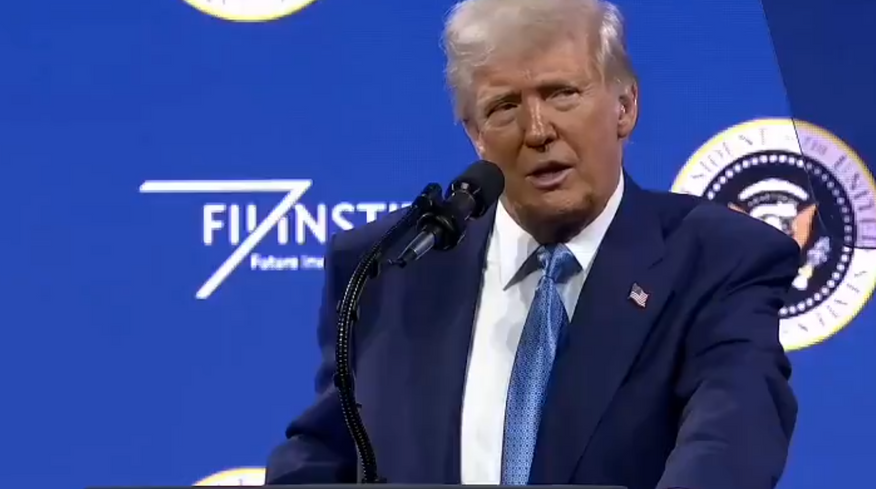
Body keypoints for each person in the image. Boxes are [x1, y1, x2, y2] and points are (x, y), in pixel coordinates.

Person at [265, 0, 800, 488]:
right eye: (503, 106)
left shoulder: (717, 258)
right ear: (475, 134)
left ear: (625, 106)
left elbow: (733, 439)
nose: (537, 130)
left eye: (561, 93)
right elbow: (326, 450)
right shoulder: (393, 265)